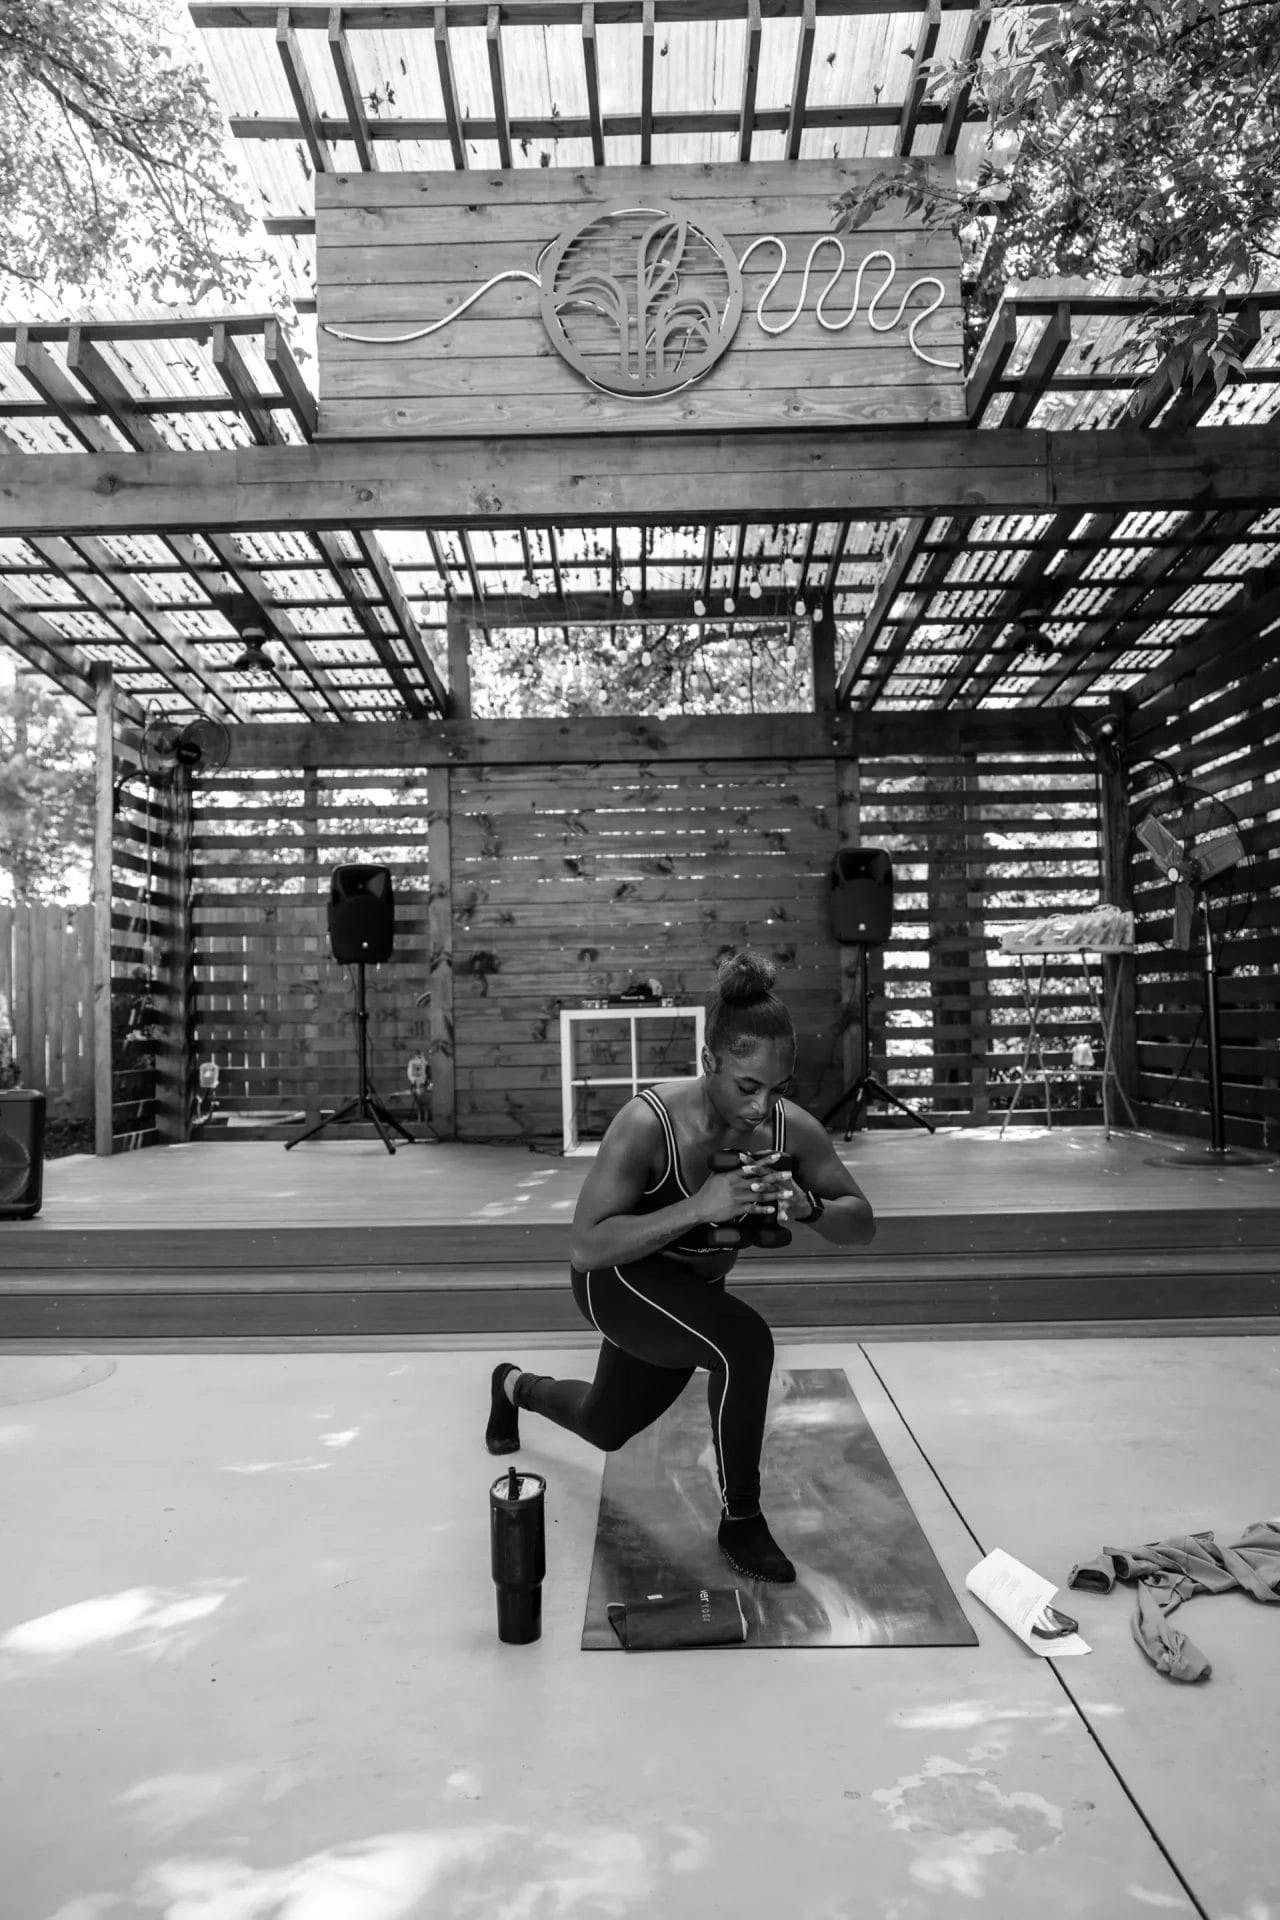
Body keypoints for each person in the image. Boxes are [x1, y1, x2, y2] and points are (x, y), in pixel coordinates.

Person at [484, 948, 876, 1585]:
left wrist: (807, 1207)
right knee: (744, 1342)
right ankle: (742, 1520)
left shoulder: (788, 1128)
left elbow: (861, 1222)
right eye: (747, 1087)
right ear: (709, 1062)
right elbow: (585, 1245)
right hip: (619, 1283)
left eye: (777, 1089)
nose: (760, 1106)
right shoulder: (646, 1123)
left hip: (691, 1297)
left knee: (603, 1426)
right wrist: (701, 1207)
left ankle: (511, 1387)